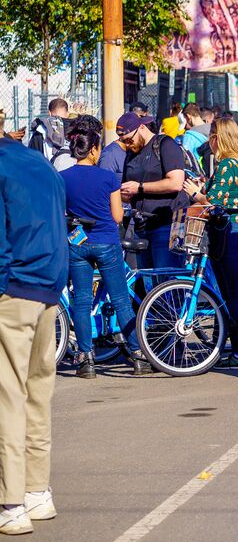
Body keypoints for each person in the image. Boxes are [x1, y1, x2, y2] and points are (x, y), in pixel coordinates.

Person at [0, 132, 67, 535]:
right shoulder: (41, 163)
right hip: (48, 286)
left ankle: (10, 503)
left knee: (8, 394)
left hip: (14, 287)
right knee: (37, 392)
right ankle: (37, 492)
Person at [60, 121, 149, 379]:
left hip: (78, 245)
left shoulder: (63, 178)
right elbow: (118, 216)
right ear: (93, 150)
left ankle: (86, 359)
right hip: (107, 242)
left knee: (82, 301)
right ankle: (137, 355)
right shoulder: (108, 177)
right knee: (122, 300)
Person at [182, 118, 238, 369]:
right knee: (232, 293)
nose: (209, 143)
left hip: (232, 231)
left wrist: (194, 192)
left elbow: (213, 201)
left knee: (231, 294)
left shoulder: (227, 163)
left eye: (211, 137)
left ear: (218, 138)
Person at [117, 111, 186, 268]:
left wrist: (139, 188)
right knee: (149, 285)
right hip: (142, 227)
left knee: (166, 282)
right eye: (124, 142)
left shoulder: (165, 144)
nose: (128, 145)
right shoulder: (131, 154)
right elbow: (129, 189)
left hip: (167, 225)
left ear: (141, 128)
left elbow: (176, 183)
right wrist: (123, 194)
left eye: (129, 140)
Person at [25, 98, 73, 171]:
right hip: (72, 172)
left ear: (49, 113)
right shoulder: (77, 129)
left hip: (49, 174)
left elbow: (32, 160)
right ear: (68, 114)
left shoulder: (41, 130)